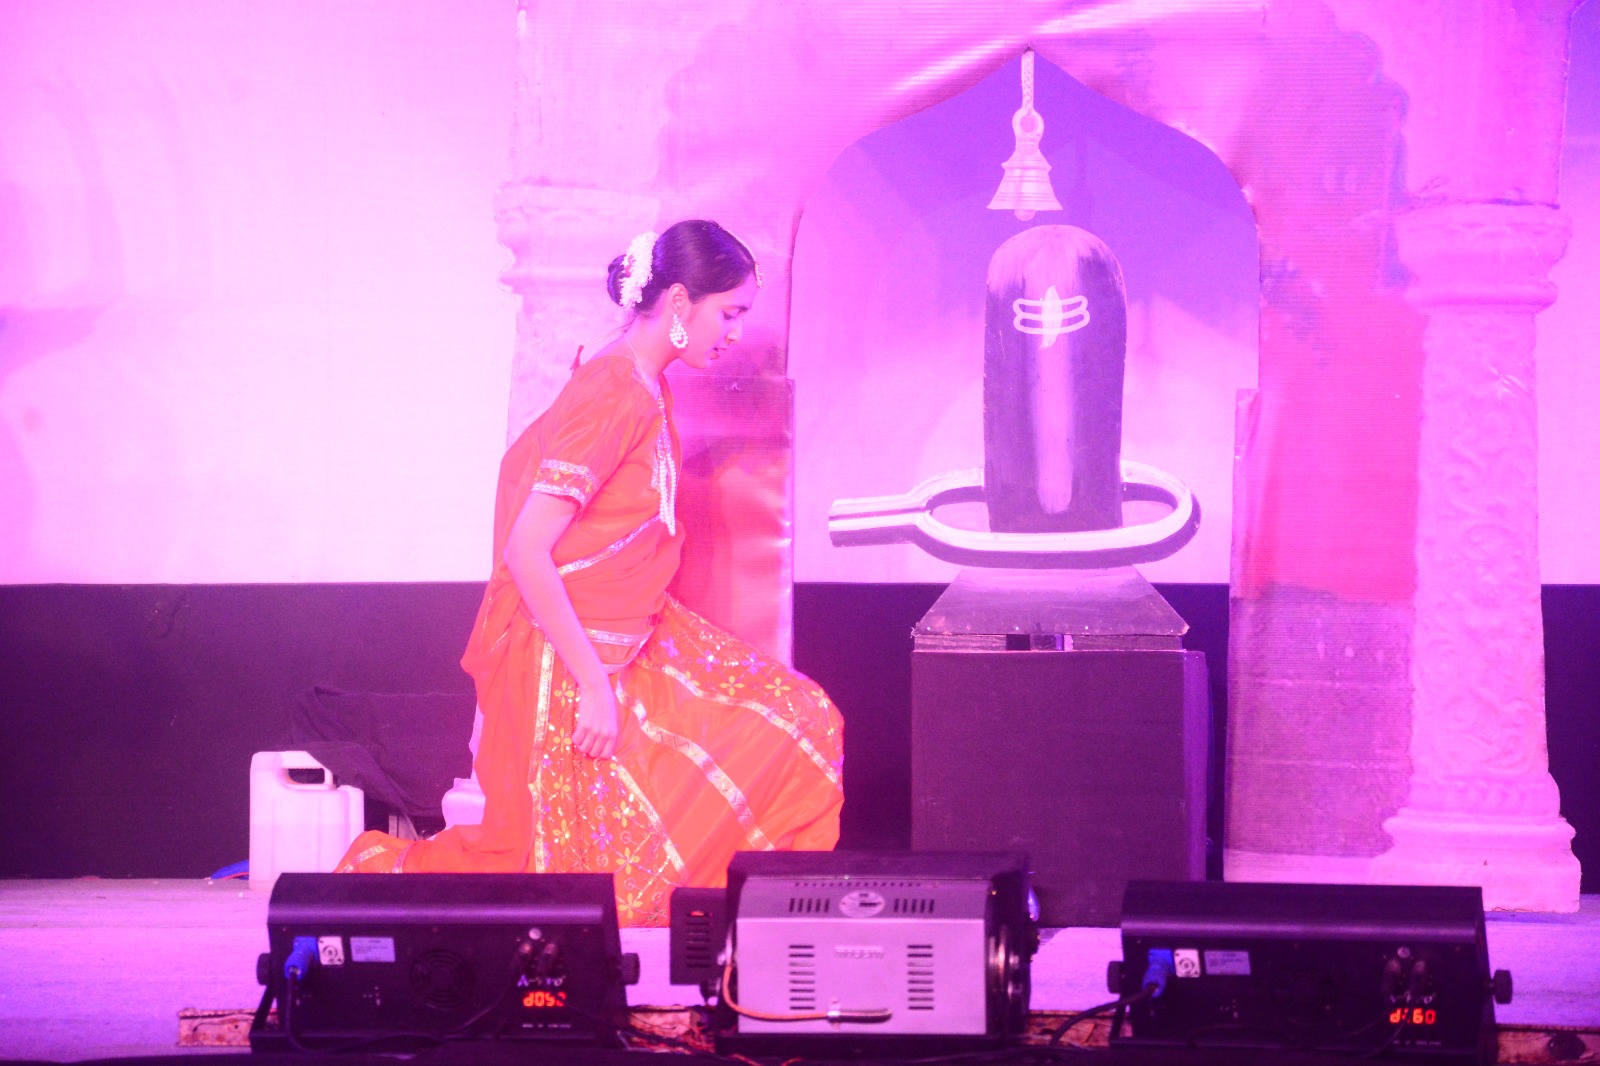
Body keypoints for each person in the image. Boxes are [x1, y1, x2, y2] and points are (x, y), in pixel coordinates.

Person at [335, 220, 844, 926]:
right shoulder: (614, 393)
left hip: (632, 638)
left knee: (800, 718)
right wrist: (596, 690)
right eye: (729, 313)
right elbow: (528, 549)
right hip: (569, 661)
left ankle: (773, 923)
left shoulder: (645, 384)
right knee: (573, 886)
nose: (734, 334)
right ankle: (375, 876)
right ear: (678, 301)